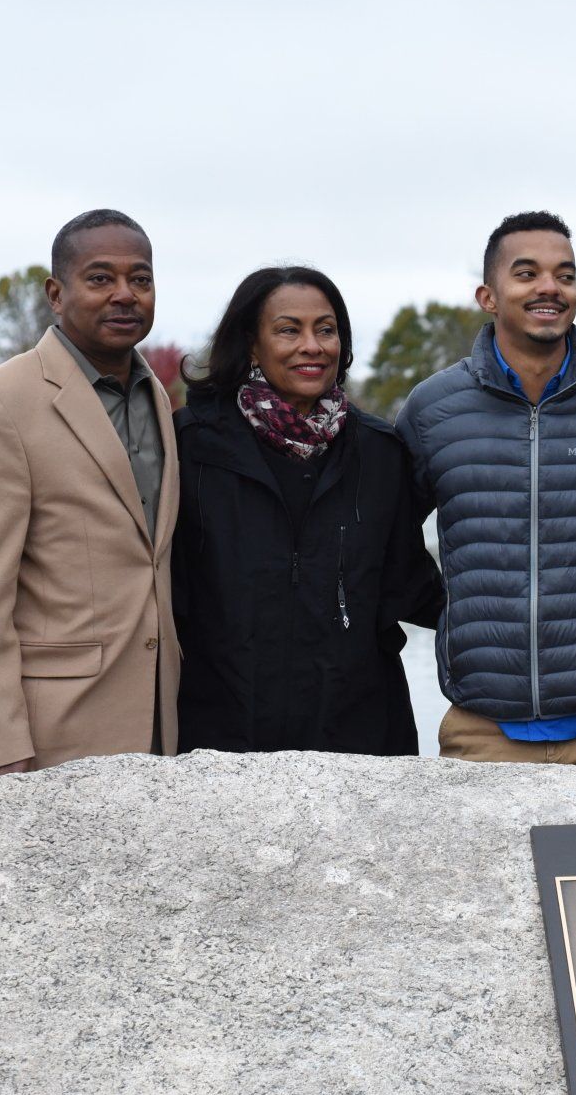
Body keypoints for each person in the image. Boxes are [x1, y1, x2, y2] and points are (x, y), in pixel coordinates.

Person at [395, 211, 576, 763]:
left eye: (564, 275)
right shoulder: (432, 410)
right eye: (526, 273)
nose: (549, 287)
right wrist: (456, 611)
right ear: (488, 296)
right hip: (480, 731)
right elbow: (390, 538)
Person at [0, 209, 178, 780]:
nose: (125, 294)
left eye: (140, 279)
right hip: (48, 741)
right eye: (100, 278)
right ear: (56, 294)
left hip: (162, 734)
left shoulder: (157, 401)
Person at [172, 267, 442, 754]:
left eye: (326, 328)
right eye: (288, 329)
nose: (312, 345)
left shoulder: (380, 452)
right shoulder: (190, 446)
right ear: (252, 344)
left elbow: (409, 586)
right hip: (218, 739)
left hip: (359, 740)